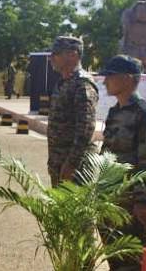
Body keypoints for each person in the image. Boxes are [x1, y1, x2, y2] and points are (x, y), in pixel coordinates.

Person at [97, 55, 146, 271]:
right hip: (109, 197)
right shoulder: (115, 112)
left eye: (110, 76)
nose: (105, 81)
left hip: (130, 203)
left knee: (132, 261)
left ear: (127, 79)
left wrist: (142, 202)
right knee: (114, 258)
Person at [47, 36, 99, 187]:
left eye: (56, 54)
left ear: (73, 54)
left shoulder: (82, 84)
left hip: (76, 167)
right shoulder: (63, 82)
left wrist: (72, 164)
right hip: (59, 161)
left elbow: (85, 128)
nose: (52, 58)